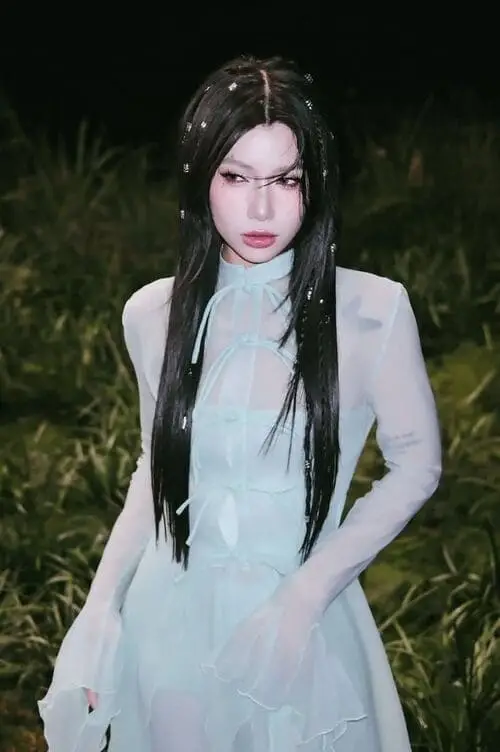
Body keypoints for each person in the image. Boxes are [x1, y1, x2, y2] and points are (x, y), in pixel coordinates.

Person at [37, 55, 442, 752]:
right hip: (170, 621)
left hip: (301, 623)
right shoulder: (153, 313)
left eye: (286, 179)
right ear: (201, 177)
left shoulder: (372, 310)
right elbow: (156, 470)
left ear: (314, 183)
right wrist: (101, 611)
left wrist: (308, 594)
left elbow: (416, 466)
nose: (261, 209)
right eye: (236, 177)